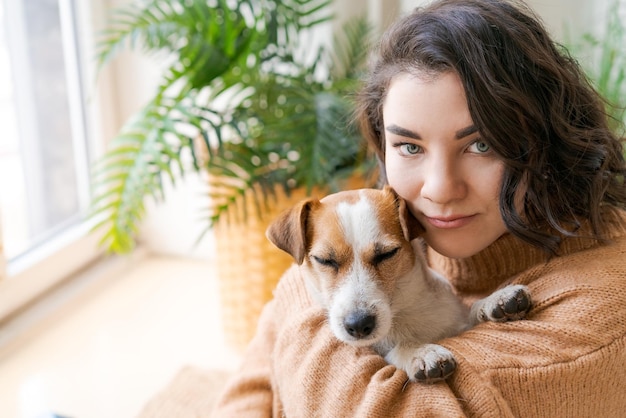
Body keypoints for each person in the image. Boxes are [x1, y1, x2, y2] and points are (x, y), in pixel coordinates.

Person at [212, 0, 626, 416]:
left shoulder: (602, 316)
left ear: (548, 138)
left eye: (481, 145)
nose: (440, 189)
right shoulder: (409, 233)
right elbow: (254, 377)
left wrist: (302, 286)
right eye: (409, 146)